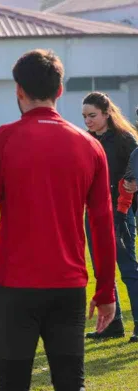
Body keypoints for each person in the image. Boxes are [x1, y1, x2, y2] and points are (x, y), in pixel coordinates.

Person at [0, 49, 116, 391]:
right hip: (67, 285)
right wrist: (105, 290)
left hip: (14, 286)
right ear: (60, 90)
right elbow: (102, 224)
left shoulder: (0, 141)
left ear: (19, 92)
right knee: (72, 386)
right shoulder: (89, 145)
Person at [81, 92, 138, 342]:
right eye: (84, 117)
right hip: (92, 214)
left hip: (120, 215)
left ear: (107, 113)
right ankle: (113, 324)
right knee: (102, 271)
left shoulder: (126, 140)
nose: (88, 121)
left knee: (128, 269)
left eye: (92, 116)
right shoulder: (86, 141)